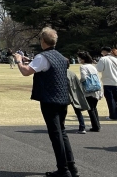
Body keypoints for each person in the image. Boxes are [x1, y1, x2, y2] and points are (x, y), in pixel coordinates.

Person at [14, 27, 78, 177]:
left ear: (43, 41)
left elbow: (25, 72)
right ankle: (72, 167)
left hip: (49, 99)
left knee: (55, 134)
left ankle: (63, 169)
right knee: (62, 133)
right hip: (62, 98)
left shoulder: (42, 57)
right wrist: (30, 61)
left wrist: (18, 61)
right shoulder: (60, 56)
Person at [77, 51, 101, 132]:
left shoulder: (83, 67)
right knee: (94, 108)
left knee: (90, 109)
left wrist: (79, 83)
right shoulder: (93, 66)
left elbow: (83, 77)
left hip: (89, 90)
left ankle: (95, 127)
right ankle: (97, 125)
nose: (78, 59)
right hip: (96, 89)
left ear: (83, 59)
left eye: (79, 58)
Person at [66, 59, 89, 134]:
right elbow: (78, 84)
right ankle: (82, 127)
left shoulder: (61, 73)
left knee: (61, 111)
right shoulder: (72, 73)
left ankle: (60, 126)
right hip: (74, 93)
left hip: (66, 94)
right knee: (78, 111)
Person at [95, 45, 117, 121]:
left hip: (108, 82)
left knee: (110, 100)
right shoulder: (115, 59)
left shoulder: (103, 59)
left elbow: (99, 69)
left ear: (104, 51)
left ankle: (113, 116)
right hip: (116, 81)